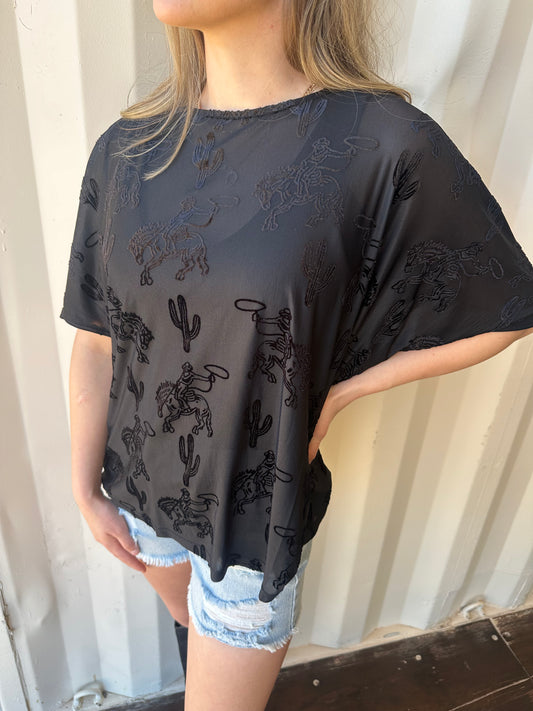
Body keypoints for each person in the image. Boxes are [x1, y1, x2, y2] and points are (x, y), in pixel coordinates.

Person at [60, 1, 533, 710]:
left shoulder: (378, 141)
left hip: (253, 518)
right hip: (141, 492)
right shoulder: (128, 149)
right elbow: (99, 335)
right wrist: (84, 486)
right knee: (189, 631)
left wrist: (338, 392)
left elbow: (505, 303)